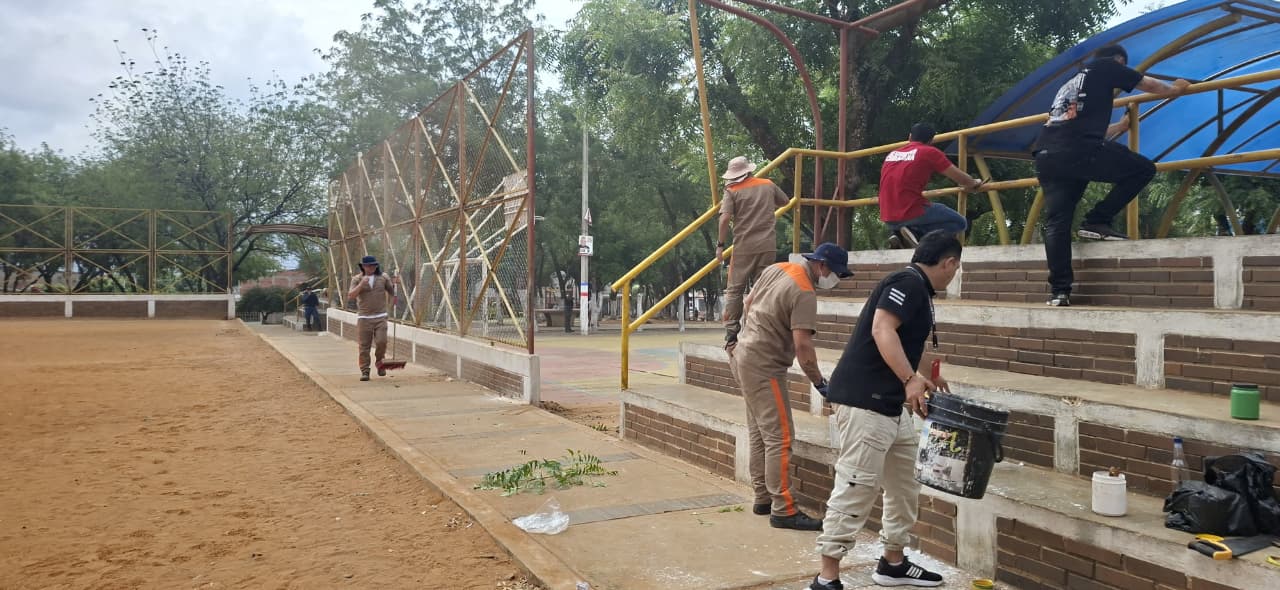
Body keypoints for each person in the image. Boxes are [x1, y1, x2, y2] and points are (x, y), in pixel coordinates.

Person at [808, 230, 962, 590]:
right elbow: (882, 329)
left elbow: (904, 340)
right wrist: (910, 378)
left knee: (904, 485)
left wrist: (925, 376)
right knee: (857, 485)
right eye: (955, 268)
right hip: (866, 402)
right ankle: (826, 577)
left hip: (891, 406)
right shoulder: (906, 282)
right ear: (949, 262)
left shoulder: (919, 290)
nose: (954, 274)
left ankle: (893, 562)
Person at [1033, 44, 1190, 307]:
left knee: (1057, 222)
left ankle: (1060, 291)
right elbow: (1149, 85)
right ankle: (1097, 219)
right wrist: (1175, 90)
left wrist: (1120, 127)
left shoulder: (1074, 81)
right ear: (1119, 60)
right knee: (1142, 169)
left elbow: (1072, 122)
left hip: (1047, 154)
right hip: (1079, 150)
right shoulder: (1108, 66)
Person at [729, 242, 852, 531]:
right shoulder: (805, 292)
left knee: (760, 432)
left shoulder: (777, 268)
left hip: (744, 356)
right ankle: (783, 509)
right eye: (835, 273)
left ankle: (763, 497)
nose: (834, 280)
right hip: (764, 365)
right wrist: (821, 384)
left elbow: (747, 303)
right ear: (822, 265)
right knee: (781, 438)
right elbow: (803, 347)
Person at [716, 155, 791, 348]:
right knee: (762, 288)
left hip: (743, 247)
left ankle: (732, 333)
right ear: (749, 170)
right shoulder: (767, 184)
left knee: (734, 289)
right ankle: (759, 329)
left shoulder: (731, 190)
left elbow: (724, 219)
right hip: (767, 245)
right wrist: (765, 207)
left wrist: (720, 245)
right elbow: (785, 201)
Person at [879, 123, 987, 249]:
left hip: (886, 214)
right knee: (959, 222)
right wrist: (974, 183)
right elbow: (960, 178)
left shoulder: (892, 154)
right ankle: (915, 233)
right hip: (910, 211)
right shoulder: (929, 152)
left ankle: (900, 234)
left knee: (931, 211)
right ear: (931, 140)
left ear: (909, 137)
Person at [346, 255, 398, 381]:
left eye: (374, 265)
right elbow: (351, 295)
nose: (372, 267)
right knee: (364, 346)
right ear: (363, 267)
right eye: (369, 265)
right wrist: (361, 285)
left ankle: (380, 364)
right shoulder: (357, 279)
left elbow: (392, 292)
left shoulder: (383, 278)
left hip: (380, 317)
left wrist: (395, 284)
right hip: (364, 317)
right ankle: (365, 371)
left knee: (382, 342)